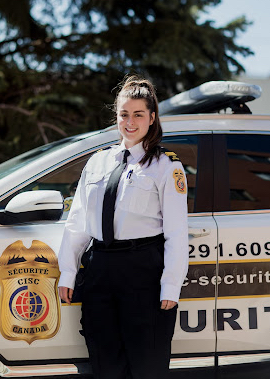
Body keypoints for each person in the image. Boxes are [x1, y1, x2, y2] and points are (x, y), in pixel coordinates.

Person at [58, 75, 188, 379]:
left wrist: (170, 285)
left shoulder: (166, 167)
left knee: (146, 366)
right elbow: (78, 221)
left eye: (138, 114)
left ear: (152, 117)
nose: (130, 122)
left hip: (143, 271)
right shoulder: (97, 163)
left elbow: (176, 232)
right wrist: (68, 271)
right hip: (100, 269)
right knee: (105, 364)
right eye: (124, 114)